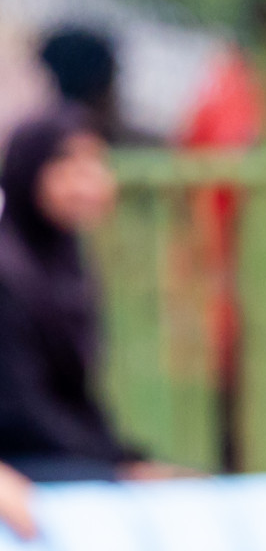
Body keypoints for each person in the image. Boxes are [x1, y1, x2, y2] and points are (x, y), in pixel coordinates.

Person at [0, 106, 153, 483]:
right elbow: (21, 411)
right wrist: (114, 465)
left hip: (57, 454)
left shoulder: (64, 262)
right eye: (68, 164)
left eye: (96, 162)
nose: (88, 181)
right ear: (29, 170)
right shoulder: (9, 273)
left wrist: (126, 457)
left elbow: (74, 395)